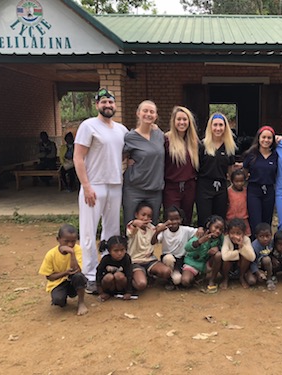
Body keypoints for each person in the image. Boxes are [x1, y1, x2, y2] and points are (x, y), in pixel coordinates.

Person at [74, 88, 128, 294]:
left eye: (111, 103)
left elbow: (120, 155)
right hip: (94, 185)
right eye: (104, 102)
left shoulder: (121, 129)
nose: (108, 105)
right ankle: (89, 275)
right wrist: (86, 186)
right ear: (97, 104)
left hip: (115, 184)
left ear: (115, 106)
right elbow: (78, 158)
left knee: (112, 230)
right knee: (88, 232)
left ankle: (107, 268)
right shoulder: (88, 126)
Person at [123, 100, 165, 228]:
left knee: (151, 230)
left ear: (156, 116)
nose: (148, 114)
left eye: (152, 112)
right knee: (131, 228)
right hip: (134, 189)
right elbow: (120, 157)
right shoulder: (130, 137)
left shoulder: (159, 135)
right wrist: (127, 163)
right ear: (138, 113)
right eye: (145, 111)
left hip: (155, 190)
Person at [196, 113, 236, 227]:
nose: (218, 128)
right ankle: (204, 244)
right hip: (204, 187)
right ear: (210, 127)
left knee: (219, 220)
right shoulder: (202, 145)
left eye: (221, 125)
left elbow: (230, 170)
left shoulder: (229, 147)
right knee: (205, 221)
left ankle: (217, 244)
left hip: (221, 188)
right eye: (215, 125)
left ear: (225, 127)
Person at [38, 224, 88, 316]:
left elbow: (76, 270)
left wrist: (72, 253)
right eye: (66, 241)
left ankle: (81, 303)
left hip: (73, 280)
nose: (70, 244)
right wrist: (65, 273)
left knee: (79, 276)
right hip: (58, 282)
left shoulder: (76, 249)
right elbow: (49, 277)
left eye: (73, 241)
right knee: (59, 301)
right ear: (58, 239)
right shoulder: (51, 254)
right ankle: (61, 297)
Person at [163, 106, 200, 225]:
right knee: (172, 223)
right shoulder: (166, 140)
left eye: (185, 119)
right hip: (171, 188)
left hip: (189, 187)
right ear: (173, 121)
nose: (182, 122)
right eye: (179, 119)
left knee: (186, 221)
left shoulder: (194, 142)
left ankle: (185, 244)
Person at [126, 201, 172, 293]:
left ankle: (149, 274)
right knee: (141, 284)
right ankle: (129, 280)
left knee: (167, 271)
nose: (145, 218)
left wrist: (158, 231)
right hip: (135, 261)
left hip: (150, 260)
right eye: (143, 215)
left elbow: (153, 242)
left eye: (149, 216)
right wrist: (135, 222)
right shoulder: (132, 226)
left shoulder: (151, 227)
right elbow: (131, 229)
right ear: (136, 215)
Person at [151, 205, 200, 290]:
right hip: (167, 259)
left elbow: (198, 232)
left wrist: (201, 230)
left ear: (181, 220)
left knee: (177, 280)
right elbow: (153, 242)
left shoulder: (185, 230)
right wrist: (158, 231)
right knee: (169, 258)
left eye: (177, 219)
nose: (174, 222)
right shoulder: (164, 231)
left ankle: (177, 277)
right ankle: (168, 278)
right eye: (171, 219)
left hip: (181, 260)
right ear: (166, 220)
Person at [242, 126, 278, 240]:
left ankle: (265, 247)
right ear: (258, 138)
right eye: (263, 137)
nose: (266, 140)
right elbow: (244, 172)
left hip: (269, 190)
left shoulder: (276, 155)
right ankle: (254, 248)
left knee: (267, 221)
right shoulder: (251, 154)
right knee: (255, 221)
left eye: (269, 138)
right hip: (254, 190)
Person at [181, 215, 225, 292]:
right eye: (216, 227)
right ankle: (197, 277)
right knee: (185, 281)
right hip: (193, 263)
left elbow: (225, 246)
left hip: (206, 264)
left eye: (220, 229)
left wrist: (218, 248)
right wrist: (199, 241)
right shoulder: (201, 233)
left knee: (218, 255)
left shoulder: (220, 238)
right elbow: (187, 247)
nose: (218, 231)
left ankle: (212, 280)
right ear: (209, 225)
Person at [96, 235, 133, 302]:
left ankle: (121, 292)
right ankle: (108, 293)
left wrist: (129, 292)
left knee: (118, 275)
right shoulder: (105, 259)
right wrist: (100, 292)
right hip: (109, 284)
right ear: (109, 251)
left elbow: (129, 274)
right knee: (109, 277)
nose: (119, 253)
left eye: (122, 250)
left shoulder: (126, 258)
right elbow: (98, 273)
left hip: (121, 284)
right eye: (116, 251)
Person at [221, 218, 256, 289]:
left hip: (241, 266)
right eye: (232, 233)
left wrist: (242, 247)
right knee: (227, 260)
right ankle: (225, 278)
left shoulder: (246, 239)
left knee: (246, 256)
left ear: (243, 234)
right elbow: (224, 256)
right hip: (228, 266)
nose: (235, 236)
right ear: (228, 233)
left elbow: (252, 257)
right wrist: (239, 252)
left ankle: (241, 276)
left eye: (238, 233)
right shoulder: (226, 239)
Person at [246, 222, 275, 291]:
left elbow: (273, 252)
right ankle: (247, 274)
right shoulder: (254, 246)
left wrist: (273, 258)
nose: (265, 239)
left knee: (266, 259)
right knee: (251, 281)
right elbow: (252, 262)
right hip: (254, 265)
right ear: (256, 236)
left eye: (267, 236)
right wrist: (258, 273)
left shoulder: (272, 242)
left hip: (265, 264)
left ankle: (269, 279)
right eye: (261, 236)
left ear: (271, 235)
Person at [226, 169, 251, 237]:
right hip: (230, 219)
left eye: (241, 181)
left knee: (245, 237)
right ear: (232, 181)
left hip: (243, 219)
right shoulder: (228, 191)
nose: (239, 183)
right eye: (236, 181)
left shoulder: (246, 191)